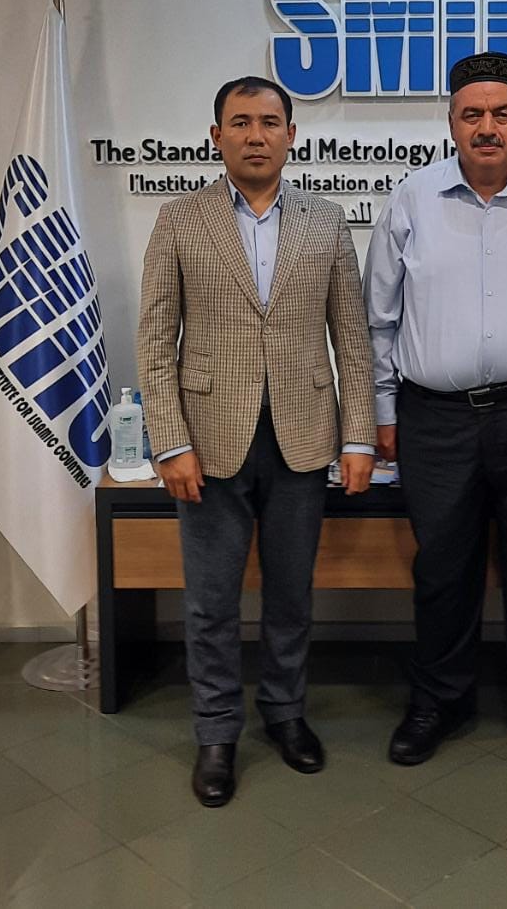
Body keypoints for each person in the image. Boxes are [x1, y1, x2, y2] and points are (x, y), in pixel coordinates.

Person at [136, 75, 376, 808]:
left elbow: (353, 339)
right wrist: (170, 442)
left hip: (304, 437)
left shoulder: (326, 221)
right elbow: (154, 341)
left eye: (269, 122)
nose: (255, 135)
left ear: (291, 135)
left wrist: (359, 437)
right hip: (209, 444)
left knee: (291, 594)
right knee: (210, 602)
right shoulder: (179, 220)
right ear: (217, 136)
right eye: (239, 122)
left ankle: (285, 711)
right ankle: (216, 732)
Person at [363, 51, 507, 775]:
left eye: (502, 113)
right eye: (472, 114)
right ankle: (440, 698)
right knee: (443, 567)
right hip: (434, 419)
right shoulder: (411, 201)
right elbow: (379, 319)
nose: (487, 127)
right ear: (451, 121)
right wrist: (383, 409)